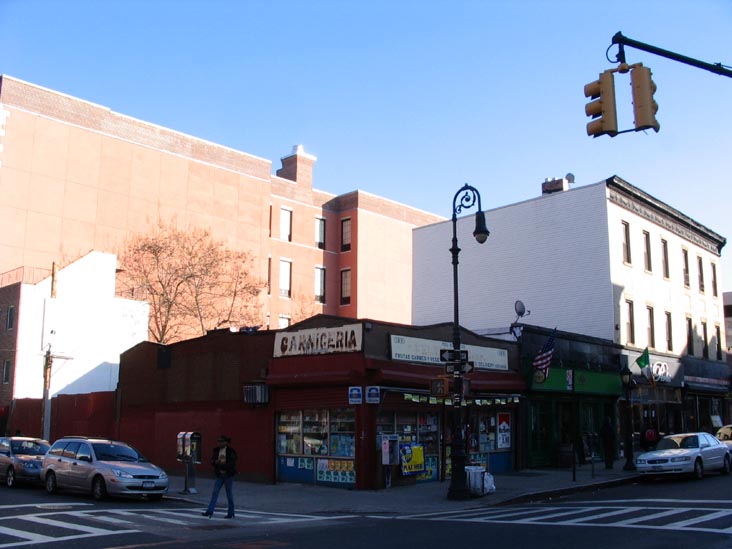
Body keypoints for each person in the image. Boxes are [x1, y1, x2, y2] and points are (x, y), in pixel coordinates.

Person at [202, 435, 238, 519]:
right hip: (220, 475)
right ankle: (209, 511)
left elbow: (232, 463)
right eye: (218, 441)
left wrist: (222, 465)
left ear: (226, 442)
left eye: (221, 441)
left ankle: (231, 512)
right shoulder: (216, 450)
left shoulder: (230, 451)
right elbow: (212, 461)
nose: (219, 443)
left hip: (228, 475)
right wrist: (215, 462)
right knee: (215, 492)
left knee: (229, 494)